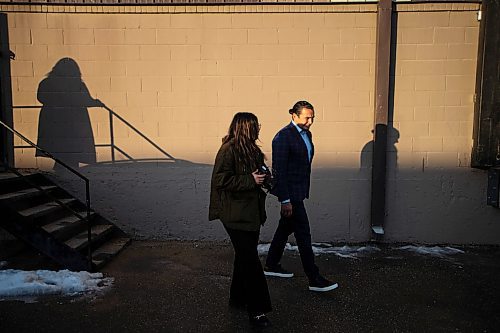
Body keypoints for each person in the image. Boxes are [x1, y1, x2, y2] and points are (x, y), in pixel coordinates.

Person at [264, 101, 339, 292]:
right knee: (303, 235)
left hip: (299, 191)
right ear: (294, 115)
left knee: (284, 229)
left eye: (313, 117)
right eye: (307, 117)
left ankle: (271, 264)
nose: (310, 121)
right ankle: (314, 278)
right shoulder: (283, 137)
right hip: (291, 196)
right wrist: (285, 200)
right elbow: (279, 171)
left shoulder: (307, 133)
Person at [209, 112, 272, 329]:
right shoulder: (228, 149)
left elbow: (256, 175)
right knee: (251, 261)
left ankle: (237, 298)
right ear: (245, 127)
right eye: (256, 125)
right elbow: (220, 179)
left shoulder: (252, 149)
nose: (259, 129)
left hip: (251, 214)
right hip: (234, 215)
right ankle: (257, 309)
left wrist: (266, 178)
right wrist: (250, 179)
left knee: (244, 257)